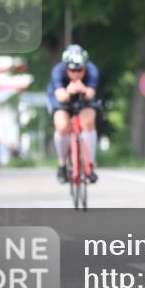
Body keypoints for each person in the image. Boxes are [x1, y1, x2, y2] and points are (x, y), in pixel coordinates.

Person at [47, 44, 100, 184]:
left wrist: (83, 90)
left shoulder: (92, 70)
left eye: (79, 70)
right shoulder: (57, 72)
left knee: (88, 122)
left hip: (83, 98)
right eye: (72, 70)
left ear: (85, 67)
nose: (76, 73)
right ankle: (62, 164)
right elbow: (60, 96)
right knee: (62, 126)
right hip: (62, 97)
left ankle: (90, 163)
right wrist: (69, 91)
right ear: (66, 68)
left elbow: (91, 94)